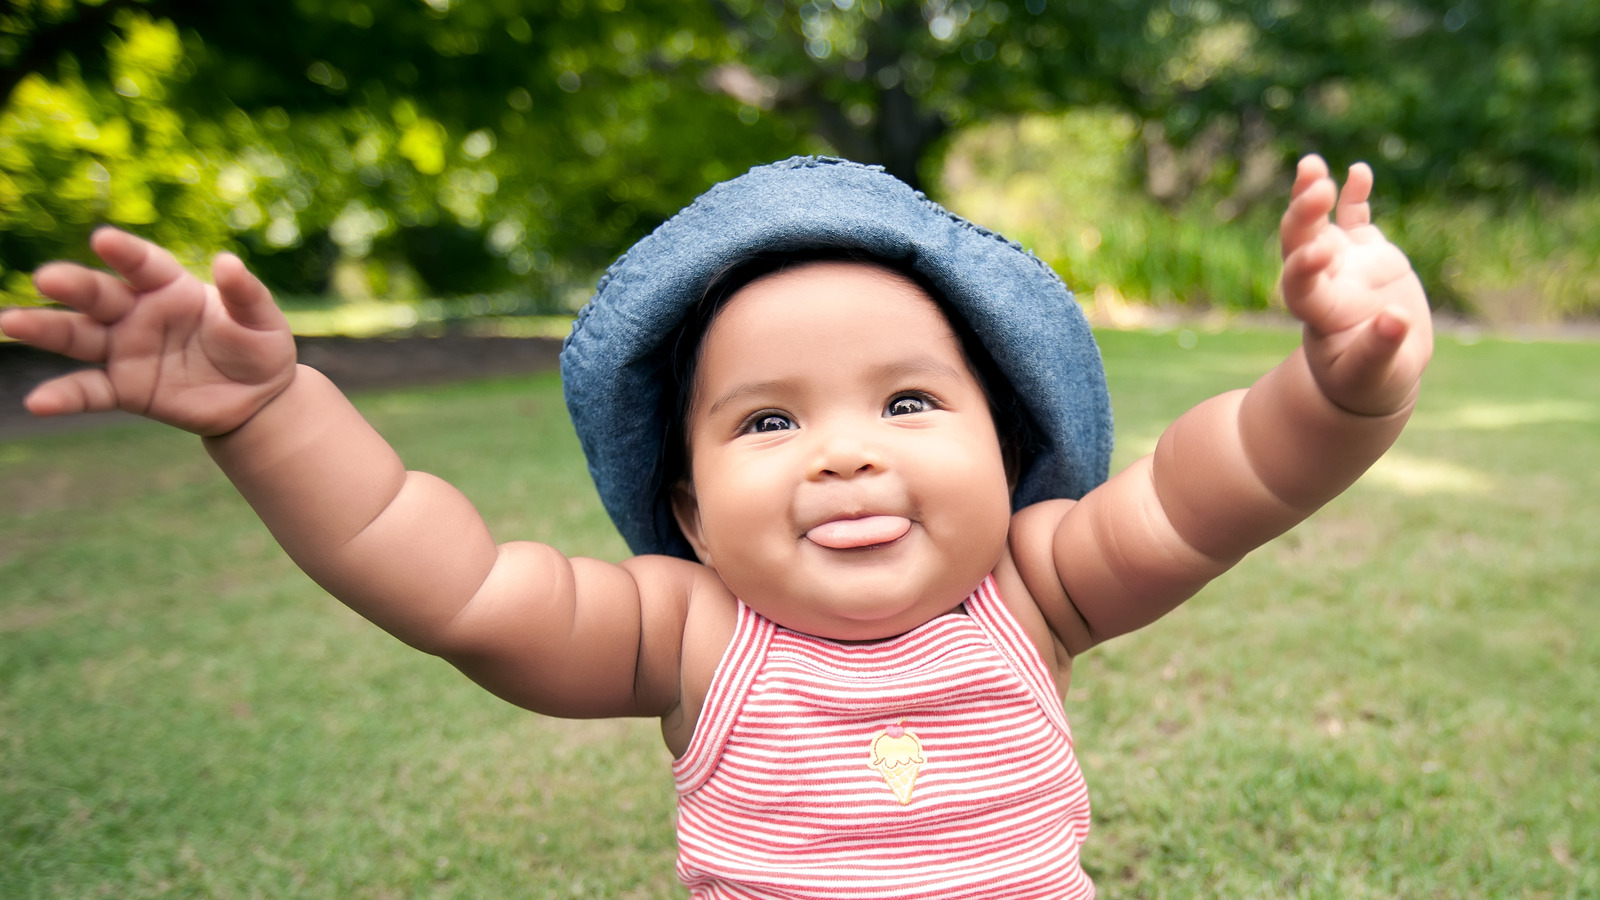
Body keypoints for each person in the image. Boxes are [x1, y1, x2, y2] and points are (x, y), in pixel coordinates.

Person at [0, 153, 1432, 898]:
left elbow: (1224, 480)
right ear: (684, 505)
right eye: (767, 421)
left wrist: (1338, 386)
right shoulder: (686, 632)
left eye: (911, 403)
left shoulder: (1039, 585)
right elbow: (440, 577)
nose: (844, 460)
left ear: (1010, 451)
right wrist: (269, 416)